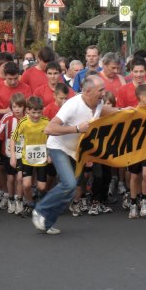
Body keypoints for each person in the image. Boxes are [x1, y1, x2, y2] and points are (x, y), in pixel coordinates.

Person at [31, 75, 117, 234]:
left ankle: (46, 222)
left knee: (72, 188)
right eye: (101, 90)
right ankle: (40, 210)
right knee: (69, 184)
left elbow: (103, 110)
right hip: (58, 148)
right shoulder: (72, 105)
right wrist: (77, 129)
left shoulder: (98, 102)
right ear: (88, 91)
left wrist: (123, 111)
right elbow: (49, 129)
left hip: (75, 152)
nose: (104, 93)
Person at [10, 96, 49, 216]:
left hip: (42, 158)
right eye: (33, 112)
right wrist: (12, 156)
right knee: (26, 184)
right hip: (27, 158)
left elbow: (53, 138)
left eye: (39, 112)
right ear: (27, 110)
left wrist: (51, 154)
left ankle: (41, 202)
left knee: (42, 187)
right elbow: (13, 139)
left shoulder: (46, 121)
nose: (36, 115)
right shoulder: (23, 122)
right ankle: (30, 204)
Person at [0, 93, 26, 214]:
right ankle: (10, 199)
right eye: (14, 106)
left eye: (20, 106)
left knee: (20, 178)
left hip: (22, 153)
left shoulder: (28, 118)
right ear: (11, 107)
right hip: (7, 152)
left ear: (24, 107)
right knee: (10, 178)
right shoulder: (7, 117)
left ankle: (19, 200)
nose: (17, 109)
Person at [127, 84, 146, 219]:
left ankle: (144, 200)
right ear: (143, 98)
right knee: (134, 176)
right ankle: (133, 202)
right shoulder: (132, 112)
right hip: (134, 149)